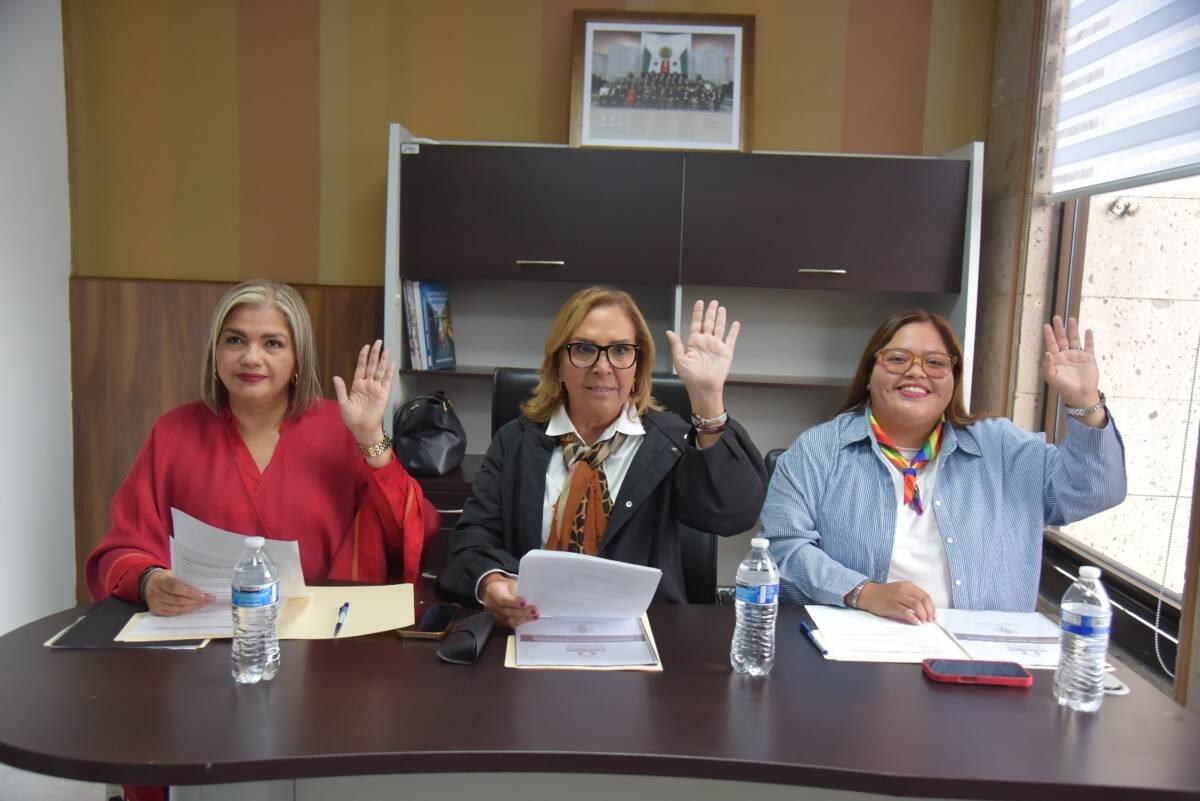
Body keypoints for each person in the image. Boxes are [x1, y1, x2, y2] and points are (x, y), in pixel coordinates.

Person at [86, 279, 437, 616]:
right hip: (203, 632)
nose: (251, 358)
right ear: (215, 351)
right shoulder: (173, 433)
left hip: (325, 633)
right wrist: (149, 581)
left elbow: (408, 535)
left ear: (298, 357)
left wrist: (371, 436)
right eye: (235, 340)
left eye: (273, 344)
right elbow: (124, 546)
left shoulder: (343, 428)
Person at [760, 310, 1126, 621]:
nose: (916, 372)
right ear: (869, 375)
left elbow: (1094, 492)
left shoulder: (1003, 448)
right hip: (856, 649)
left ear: (954, 381)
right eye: (897, 359)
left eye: (935, 363)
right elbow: (783, 548)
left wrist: (1084, 402)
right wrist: (863, 592)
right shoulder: (819, 450)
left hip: (983, 657)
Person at [438, 287, 767, 626]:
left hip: (646, 631)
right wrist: (492, 582)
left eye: (621, 350)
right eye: (583, 349)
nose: (602, 366)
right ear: (557, 363)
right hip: (532, 626)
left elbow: (734, 513)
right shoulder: (515, 442)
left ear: (638, 366)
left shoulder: (670, 443)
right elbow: (471, 541)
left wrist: (708, 399)